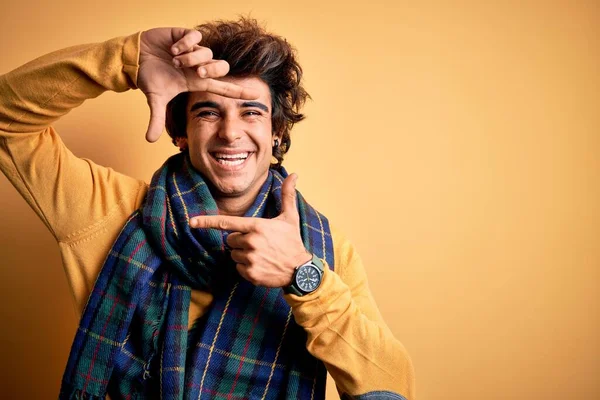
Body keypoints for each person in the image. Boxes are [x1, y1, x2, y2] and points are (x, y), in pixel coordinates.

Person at [0, 18, 415, 400]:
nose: (231, 132)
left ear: (277, 132)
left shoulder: (322, 250)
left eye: (251, 112)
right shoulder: (111, 210)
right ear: (180, 132)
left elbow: (392, 388)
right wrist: (127, 59)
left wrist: (303, 279)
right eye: (208, 111)